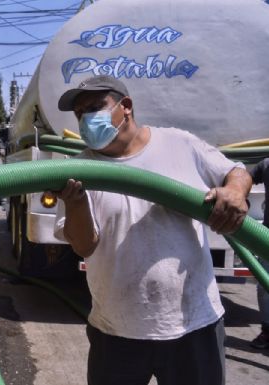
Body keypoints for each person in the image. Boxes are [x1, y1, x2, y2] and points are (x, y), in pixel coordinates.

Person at [52, 75, 252, 385]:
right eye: (80, 114)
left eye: (95, 108)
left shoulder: (178, 144)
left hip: (193, 325)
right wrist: (76, 202)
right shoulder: (77, 170)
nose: (86, 120)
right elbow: (84, 246)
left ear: (126, 106)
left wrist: (236, 191)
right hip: (115, 330)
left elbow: (234, 171)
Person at [250, 158, 269, 349]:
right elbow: (245, 179)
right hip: (268, 237)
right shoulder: (265, 165)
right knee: (264, 285)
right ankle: (267, 330)